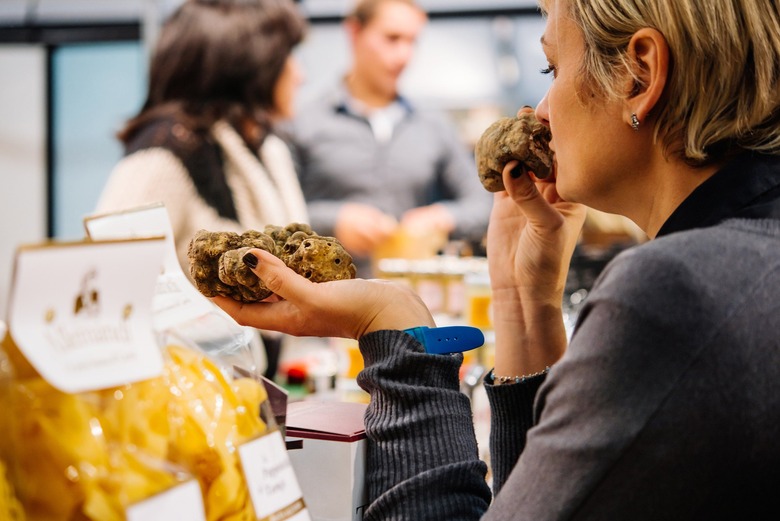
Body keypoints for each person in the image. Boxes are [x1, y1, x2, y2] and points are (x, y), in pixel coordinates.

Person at [214, 0, 780, 518]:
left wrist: (397, 332)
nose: (541, 111)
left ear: (640, 74)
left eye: (552, 70)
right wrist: (523, 304)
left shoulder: (676, 292)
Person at [95, 0, 308, 378]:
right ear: (247, 67)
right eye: (286, 57)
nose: (299, 74)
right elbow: (107, 284)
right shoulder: (167, 150)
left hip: (246, 389)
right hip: (184, 396)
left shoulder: (259, 146)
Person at [283, 0, 492, 277]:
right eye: (392, 38)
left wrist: (442, 216)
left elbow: (482, 204)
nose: (404, 54)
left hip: (409, 297)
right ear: (354, 33)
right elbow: (271, 209)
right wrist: (334, 220)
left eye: (412, 42)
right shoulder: (301, 122)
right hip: (321, 298)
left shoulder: (432, 125)